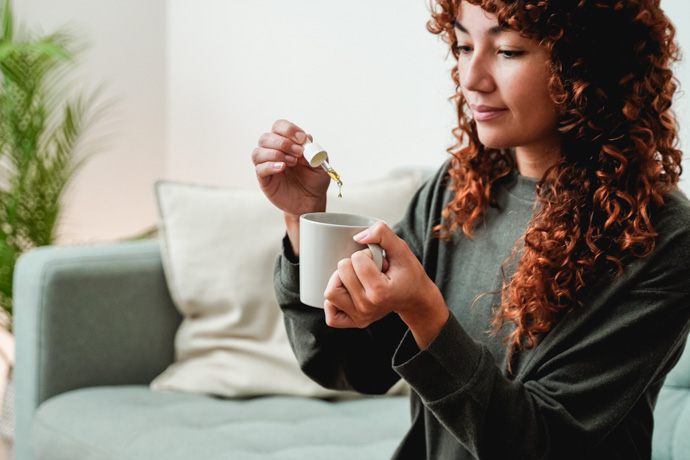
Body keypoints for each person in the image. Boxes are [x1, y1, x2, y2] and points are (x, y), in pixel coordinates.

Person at [251, 0, 690, 458]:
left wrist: (426, 316)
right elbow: (350, 365)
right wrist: (305, 219)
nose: (471, 78)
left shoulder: (658, 237)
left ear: (588, 62)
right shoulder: (456, 191)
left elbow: (542, 443)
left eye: (508, 51)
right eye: (463, 45)